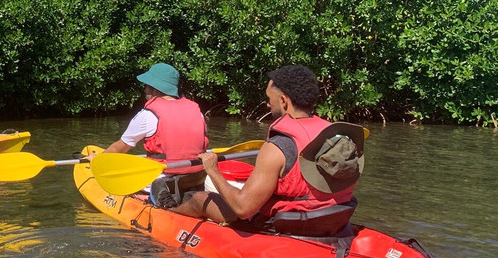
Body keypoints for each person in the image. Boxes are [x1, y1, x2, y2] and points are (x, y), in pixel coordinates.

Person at [172, 65, 364, 237]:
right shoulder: (337, 136)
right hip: (331, 219)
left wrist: (212, 169)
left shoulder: (277, 147)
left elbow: (243, 208)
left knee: (199, 198)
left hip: (285, 225)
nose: (267, 104)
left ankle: (166, 216)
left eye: (269, 99)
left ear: (283, 100)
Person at [104, 62, 208, 208]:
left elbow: (118, 148)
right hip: (195, 178)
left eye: (147, 86)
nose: (145, 90)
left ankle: (161, 199)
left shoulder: (148, 115)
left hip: (164, 179)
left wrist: (99, 159)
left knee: (128, 175)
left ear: (155, 89)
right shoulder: (197, 111)